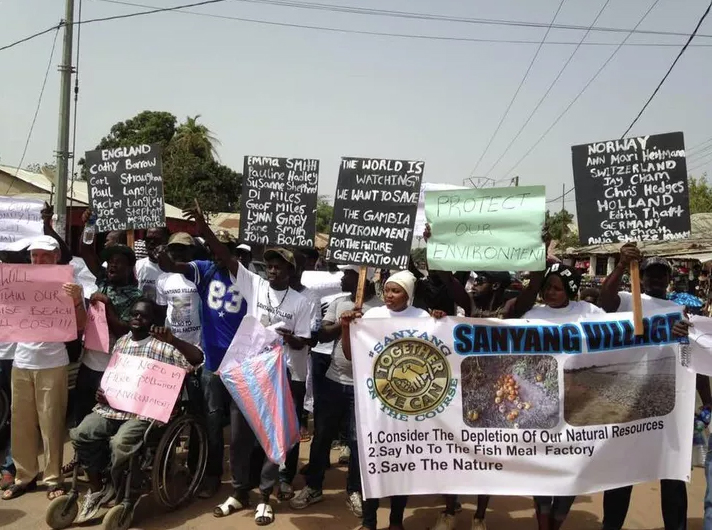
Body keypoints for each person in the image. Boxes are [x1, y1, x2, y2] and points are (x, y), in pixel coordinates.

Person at [598, 246, 708, 530]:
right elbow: (604, 299)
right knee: (622, 475)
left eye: (662, 275)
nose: (656, 279)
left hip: (668, 407)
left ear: (668, 279)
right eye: (651, 274)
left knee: (673, 475)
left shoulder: (679, 311)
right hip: (628, 403)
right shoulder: (626, 300)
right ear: (642, 278)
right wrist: (622, 265)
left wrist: (707, 401)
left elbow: (693, 355)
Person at [70, 298, 203, 522]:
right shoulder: (121, 343)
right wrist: (103, 392)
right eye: (133, 313)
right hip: (113, 408)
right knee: (81, 433)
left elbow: (197, 359)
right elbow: (114, 377)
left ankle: (124, 489)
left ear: (153, 321)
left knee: (121, 443)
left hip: (144, 414)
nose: (137, 318)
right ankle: (98, 487)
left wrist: (174, 340)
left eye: (143, 315)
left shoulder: (165, 346)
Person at [215, 241, 313, 526]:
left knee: (273, 438)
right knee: (239, 438)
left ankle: (265, 497)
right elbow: (227, 257)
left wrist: (286, 337)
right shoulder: (255, 286)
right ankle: (239, 492)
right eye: (269, 266)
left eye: (278, 267)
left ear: (290, 271)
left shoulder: (301, 302)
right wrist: (202, 228)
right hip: (249, 375)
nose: (272, 271)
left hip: (283, 378)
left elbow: (304, 341)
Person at [341, 270, 446, 530]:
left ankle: (396, 521)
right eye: (387, 290)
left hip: (407, 407)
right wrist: (346, 328)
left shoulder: (422, 318)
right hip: (374, 406)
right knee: (372, 462)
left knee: (401, 463)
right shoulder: (371, 316)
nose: (389, 295)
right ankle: (369, 522)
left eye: (396, 290)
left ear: (408, 294)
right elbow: (351, 355)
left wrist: (440, 321)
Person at [157, 221, 247, 500]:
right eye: (214, 251)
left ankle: (244, 480)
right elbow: (174, 268)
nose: (218, 255)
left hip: (239, 364)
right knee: (211, 424)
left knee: (240, 428)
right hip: (211, 364)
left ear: (233, 252)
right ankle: (212, 477)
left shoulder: (245, 274)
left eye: (224, 250)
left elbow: (224, 254)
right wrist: (162, 255)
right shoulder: (205, 270)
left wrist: (205, 228)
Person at [291, 265, 381, 518]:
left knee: (356, 441)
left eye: (349, 274)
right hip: (333, 380)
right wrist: (343, 323)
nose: (342, 277)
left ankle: (354, 490)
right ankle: (314, 487)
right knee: (322, 437)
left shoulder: (381, 310)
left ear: (364, 277)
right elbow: (321, 335)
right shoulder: (339, 303)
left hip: (364, 386)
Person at [2, 235, 87, 501]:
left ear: (55, 258)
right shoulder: (17, 282)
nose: (38, 260)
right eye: (34, 256)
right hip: (21, 362)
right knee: (21, 423)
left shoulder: (70, 284)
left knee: (51, 423)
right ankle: (24, 476)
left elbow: (81, 326)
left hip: (52, 362)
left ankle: (53, 478)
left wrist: (75, 301)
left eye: (44, 256)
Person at [522, 262, 605, 530]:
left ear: (570, 289)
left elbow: (619, 330)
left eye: (557, 288)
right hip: (540, 405)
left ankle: (557, 521)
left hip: (577, 408)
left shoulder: (587, 312)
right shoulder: (533, 314)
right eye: (547, 287)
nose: (550, 293)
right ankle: (543, 522)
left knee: (572, 468)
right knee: (543, 468)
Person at [434, 269, 513, 530]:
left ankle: (479, 516)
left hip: (494, 393)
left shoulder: (510, 306)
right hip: (461, 390)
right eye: (475, 280)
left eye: (481, 281)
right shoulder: (469, 304)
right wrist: (439, 246)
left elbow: (532, 291)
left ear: (496, 286)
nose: (475, 284)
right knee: (452, 452)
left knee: (485, 457)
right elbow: (448, 279)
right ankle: (449, 510)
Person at [77, 221, 143, 429]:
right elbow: (86, 251)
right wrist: (88, 226)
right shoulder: (103, 280)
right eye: (111, 261)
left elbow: (126, 331)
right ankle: (81, 459)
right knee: (81, 415)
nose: (112, 265)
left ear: (129, 268)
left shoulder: (136, 297)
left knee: (104, 421)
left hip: (112, 368)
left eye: (119, 262)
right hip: (88, 364)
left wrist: (107, 306)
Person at [278, 250, 321, 501]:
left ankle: (285, 477)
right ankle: (262, 475)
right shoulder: (266, 292)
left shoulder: (309, 298)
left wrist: (291, 337)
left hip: (295, 370)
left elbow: (311, 338)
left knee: (291, 423)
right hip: (266, 368)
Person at [154, 233, 201, 345]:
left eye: (181, 249)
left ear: (192, 250)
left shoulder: (200, 275)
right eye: (173, 249)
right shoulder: (162, 279)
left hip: (198, 343)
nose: (177, 253)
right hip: (172, 342)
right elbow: (162, 310)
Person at [135, 227, 169, 300]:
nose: (152, 242)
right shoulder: (136, 266)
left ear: (166, 241)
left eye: (157, 240)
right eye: (148, 240)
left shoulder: (174, 268)